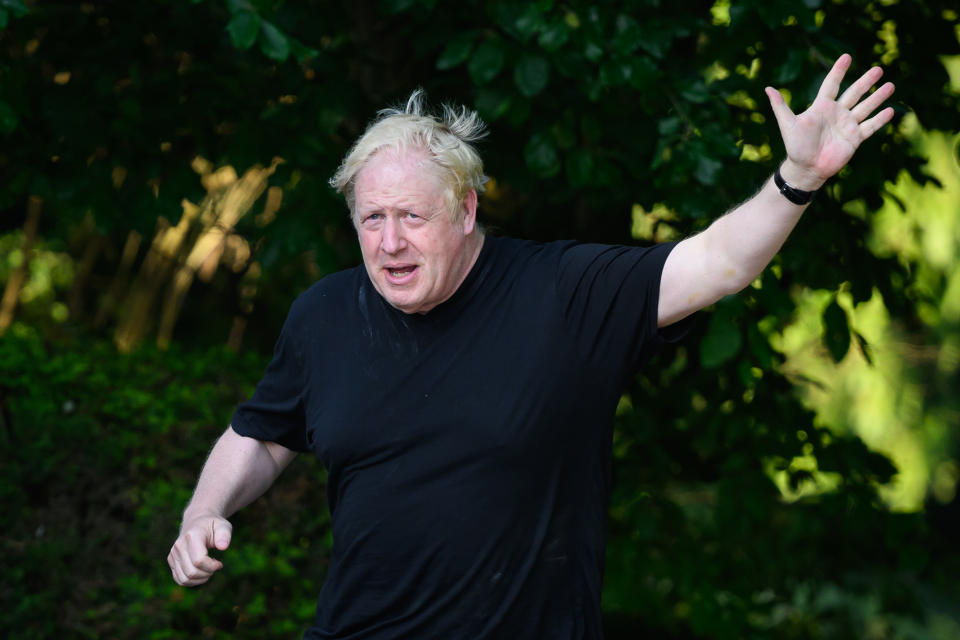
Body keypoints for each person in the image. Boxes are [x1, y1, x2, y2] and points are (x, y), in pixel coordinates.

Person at [167, 54, 894, 638]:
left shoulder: (565, 293)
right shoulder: (323, 315)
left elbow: (718, 265)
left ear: (466, 208)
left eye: (412, 217)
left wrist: (797, 178)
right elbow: (261, 437)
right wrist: (205, 510)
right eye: (372, 219)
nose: (389, 243)